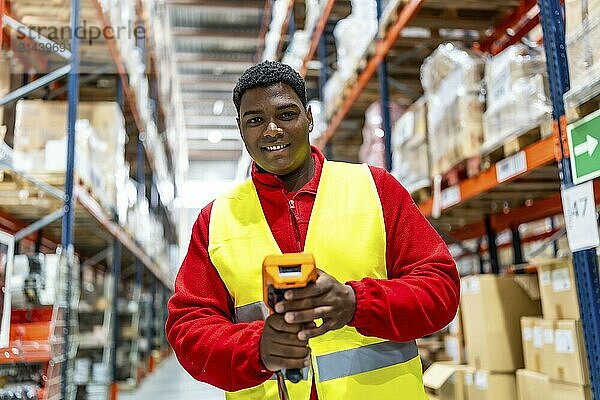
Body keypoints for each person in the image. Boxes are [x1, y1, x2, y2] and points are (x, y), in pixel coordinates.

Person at [166, 61, 460, 400]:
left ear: (309, 117)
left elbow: (440, 287)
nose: (271, 130)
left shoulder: (375, 189)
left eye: (286, 114)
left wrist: (356, 303)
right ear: (240, 128)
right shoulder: (215, 220)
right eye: (255, 120)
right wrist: (257, 348)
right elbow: (188, 327)